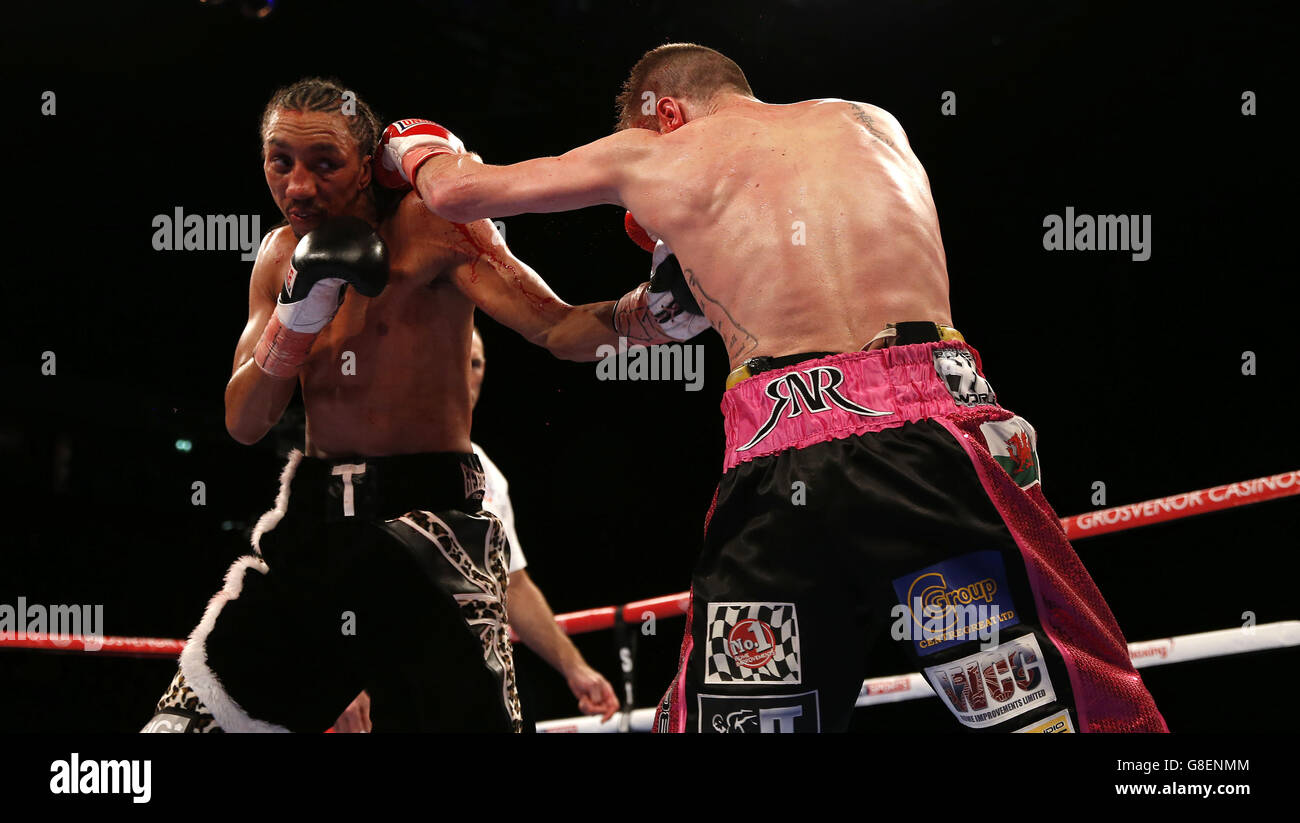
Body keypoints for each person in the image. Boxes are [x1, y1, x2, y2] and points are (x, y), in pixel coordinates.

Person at [385, 43, 1169, 733]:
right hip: (945, 429)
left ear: (665, 113)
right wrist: (658, 302)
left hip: (782, 457)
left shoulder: (654, 152)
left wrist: (414, 146)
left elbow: (456, 193)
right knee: (1075, 708)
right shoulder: (870, 122)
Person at [141, 77, 628, 733]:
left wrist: (652, 314)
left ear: (370, 165)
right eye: (279, 162)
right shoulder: (280, 255)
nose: (299, 187)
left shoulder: (434, 226)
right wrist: (296, 322)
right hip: (314, 522)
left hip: (432, 519)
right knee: (182, 728)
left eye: (324, 165)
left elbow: (557, 328)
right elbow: (245, 420)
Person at [333, 328, 621, 731]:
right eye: (455, 358)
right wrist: (340, 676)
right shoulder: (366, 454)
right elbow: (326, 570)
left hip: (479, 686)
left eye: (475, 363)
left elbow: (514, 586)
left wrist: (575, 668)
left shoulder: (486, 472)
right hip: (392, 682)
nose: (466, 373)